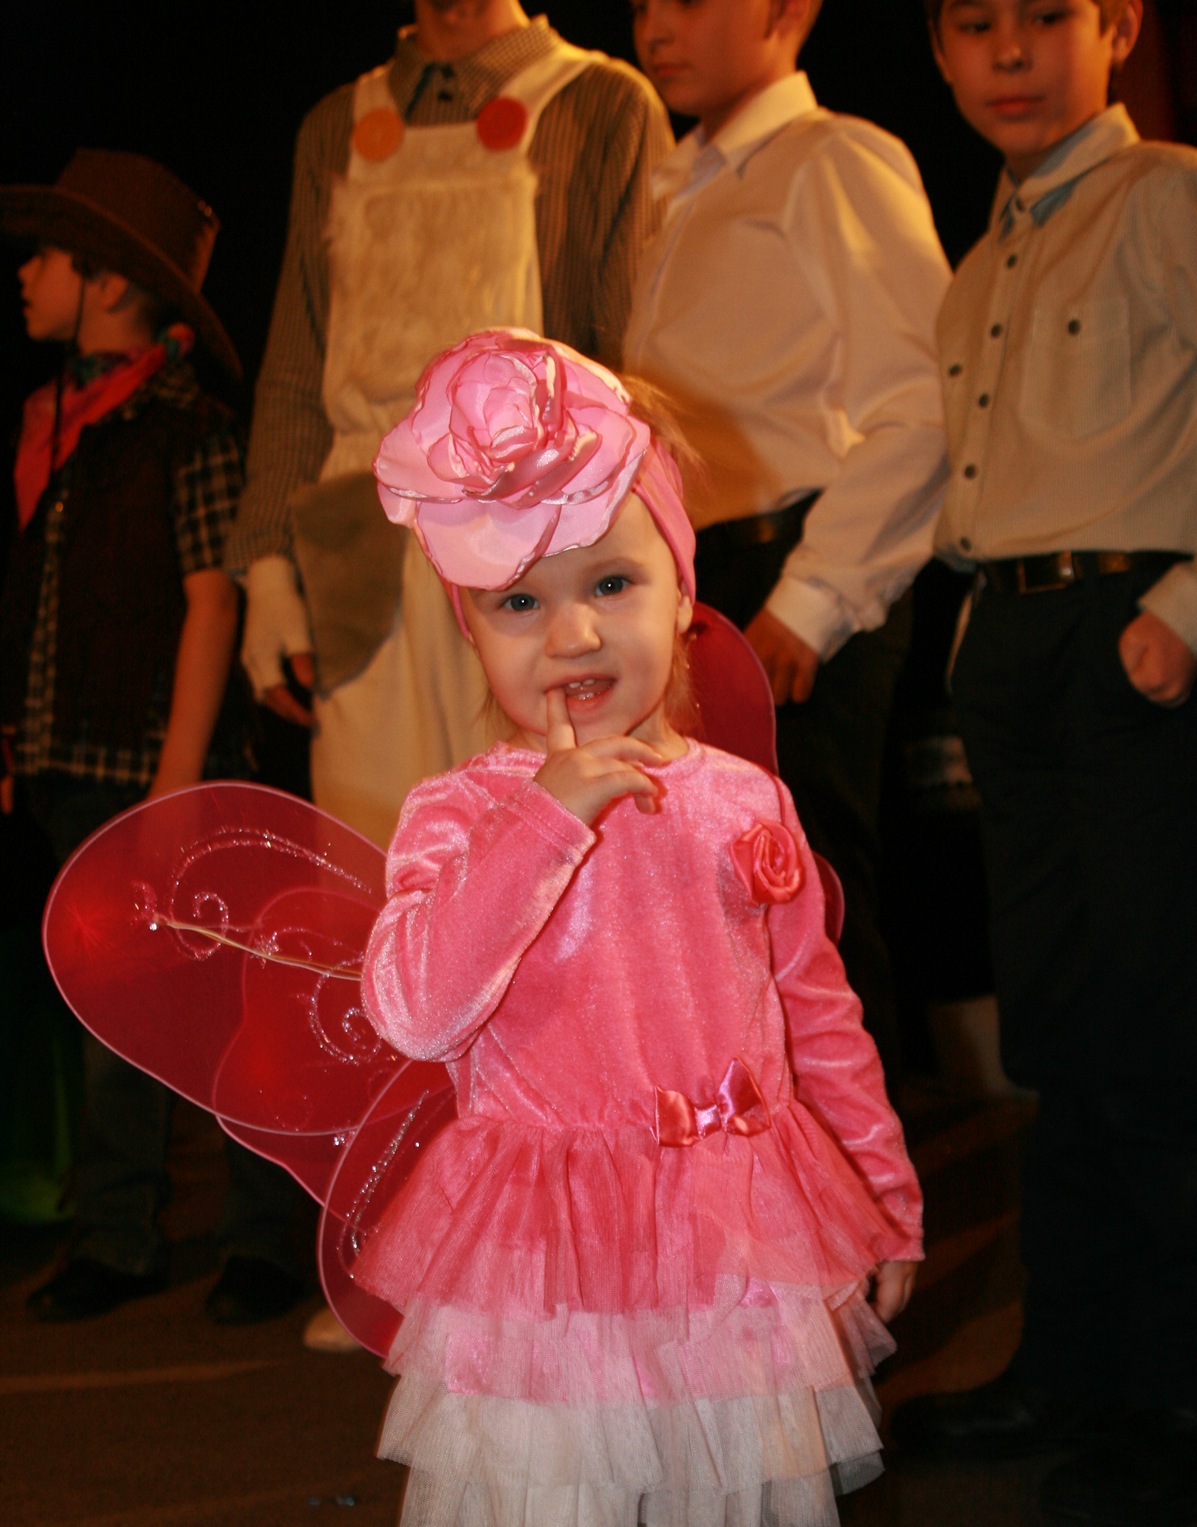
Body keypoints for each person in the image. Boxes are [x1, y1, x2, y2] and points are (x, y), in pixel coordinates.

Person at [351, 331, 921, 1527]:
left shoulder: (743, 802)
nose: (574, 635)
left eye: (610, 582)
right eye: (517, 605)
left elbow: (816, 1012)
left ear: (682, 589)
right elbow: (413, 1003)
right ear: (470, 629)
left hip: (734, 1238)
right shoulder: (460, 812)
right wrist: (548, 818)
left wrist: (880, 1186)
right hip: (558, 1265)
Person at [892, 0, 1197, 1527]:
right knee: (1059, 1029)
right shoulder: (979, 265)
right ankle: (1078, 1366)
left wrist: (1192, 609)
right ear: (939, 51)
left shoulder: (1175, 197)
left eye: (1047, 15)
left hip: (1133, 628)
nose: (1009, 53)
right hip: (1015, 646)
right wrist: (984, 639)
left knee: (1155, 1026)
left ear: (1116, 26)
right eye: (974, 23)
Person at [230, 0, 672, 852]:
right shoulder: (337, 125)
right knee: (372, 853)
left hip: (539, 542)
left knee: (547, 846)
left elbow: (631, 359)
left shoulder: (599, 101)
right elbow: (296, 363)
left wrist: (629, 564)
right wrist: (267, 566)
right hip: (362, 546)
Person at [0, 151, 311, 1327]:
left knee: (224, 1011)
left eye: (48, 256)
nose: (25, 273)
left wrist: (179, 781)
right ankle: (116, 1232)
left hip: (160, 765)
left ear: (112, 280)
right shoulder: (54, 426)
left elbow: (210, 604)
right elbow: (38, 603)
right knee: (108, 1010)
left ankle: (262, 1239)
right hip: (73, 764)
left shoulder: (188, 430)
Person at [623, 0, 951, 1085]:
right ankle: (757, 1181)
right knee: (708, 917)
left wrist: (808, 602)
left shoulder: (831, 159)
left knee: (807, 901)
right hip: (689, 579)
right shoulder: (665, 184)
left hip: (792, 564)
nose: (656, 27)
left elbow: (924, 402)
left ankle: (864, 1181)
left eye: (687, 1)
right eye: (642, 5)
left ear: (787, 10)